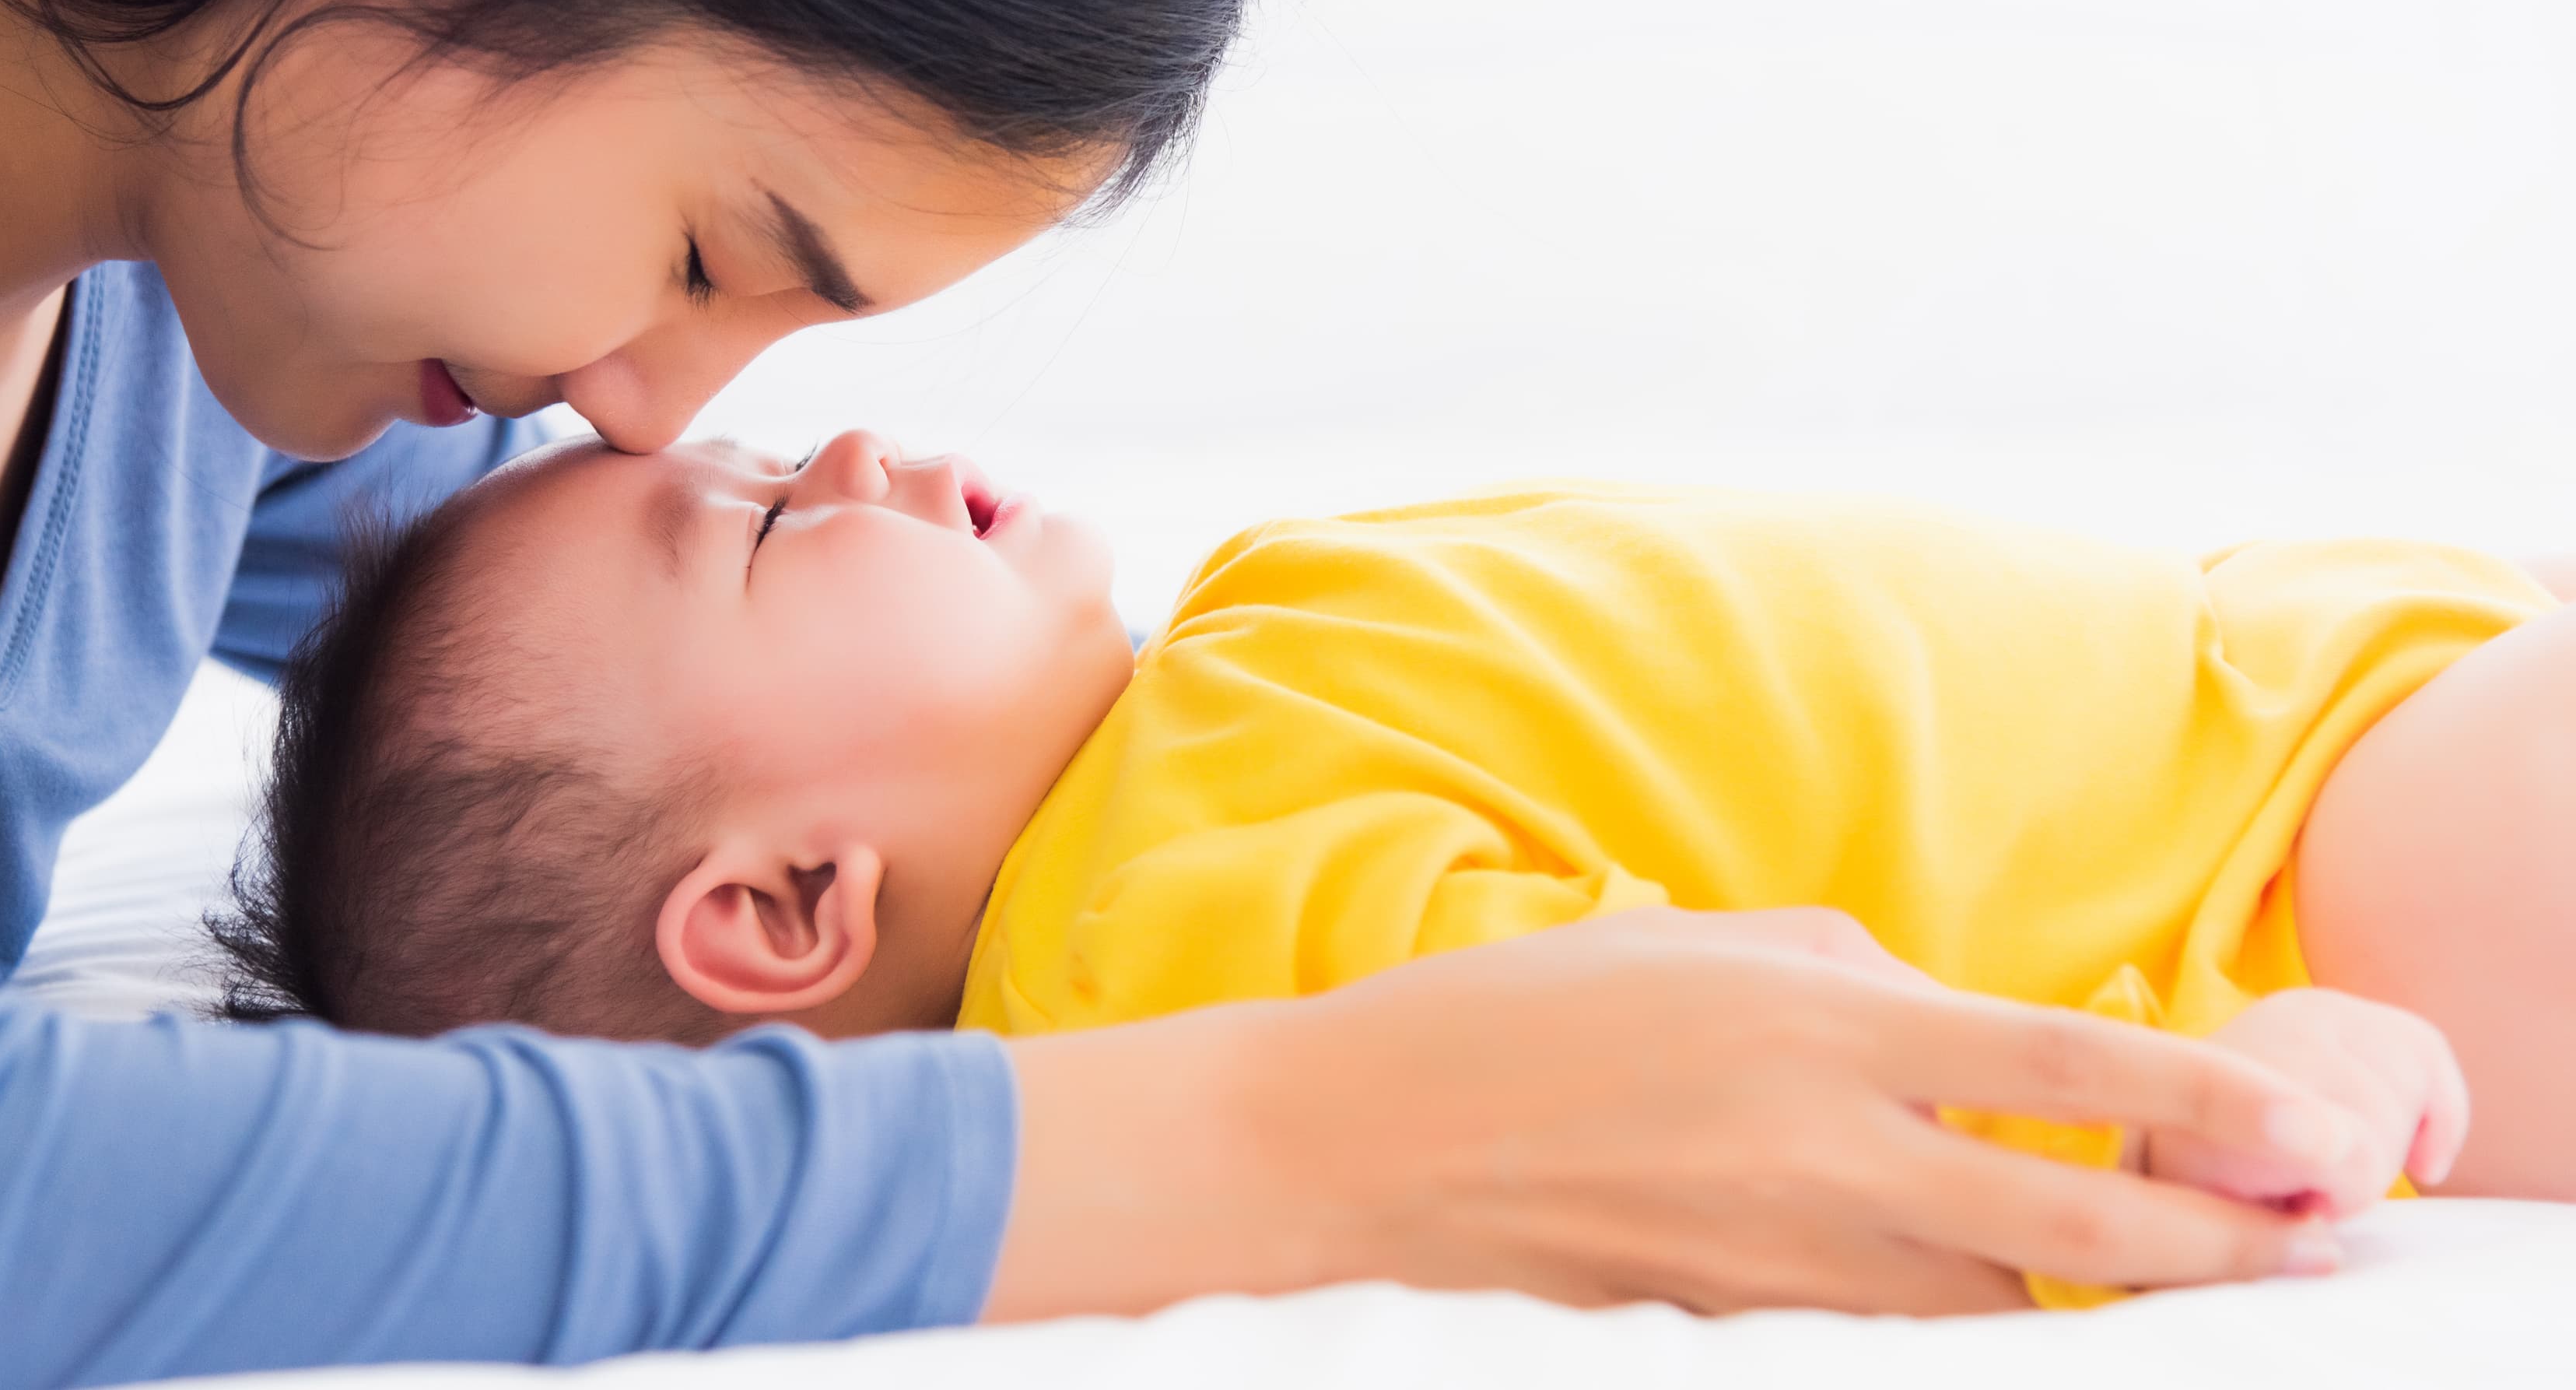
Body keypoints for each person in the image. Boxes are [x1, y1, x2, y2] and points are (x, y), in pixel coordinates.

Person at [0, 0, 2378, 1383]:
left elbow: (592, 765)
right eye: (713, 243)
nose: (648, 413)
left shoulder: (230, 310)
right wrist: (1326, 1132)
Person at [213, 429, 2573, 1302]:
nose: (837, 440)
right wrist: (2178, 1099)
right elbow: (1720, 1087)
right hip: (2318, 876)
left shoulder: (1202, 682)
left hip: (2330, 697)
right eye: (749, 528)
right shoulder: (1167, 914)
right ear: (785, 912)